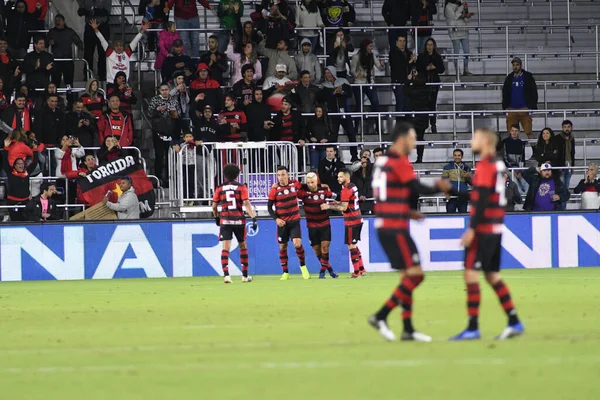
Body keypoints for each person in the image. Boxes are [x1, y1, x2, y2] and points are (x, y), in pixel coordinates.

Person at [368, 121, 451, 342]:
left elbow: (388, 192)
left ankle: (408, 329)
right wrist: (438, 186)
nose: (414, 144)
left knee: (407, 277)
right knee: (416, 275)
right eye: (413, 139)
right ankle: (381, 315)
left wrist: (406, 210)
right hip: (394, 227)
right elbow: (415, 187)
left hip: (386, 223)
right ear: (403, 139)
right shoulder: (399, 160)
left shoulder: (382, 161)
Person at [449, 128, 525, 340]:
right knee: (492, 276)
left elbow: (481, 199)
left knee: (471, 274)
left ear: (485, 141)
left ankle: (473, 327)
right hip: (494, 227)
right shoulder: (496, 165)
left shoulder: (485, 165)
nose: (472, 141)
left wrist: (472, 229)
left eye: (475, 137)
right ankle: (514, 322)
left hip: (483, 229)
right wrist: (454, 190)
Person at [212, 163, 257, 283]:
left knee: (225, 248)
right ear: (237, 174)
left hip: (225, 220)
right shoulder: (241, 187)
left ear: (225, 175)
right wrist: (253, 218)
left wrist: (217, 218)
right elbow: (246, 203)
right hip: (239, 221)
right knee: (243, 246)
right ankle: (245, 276)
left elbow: (214, 206)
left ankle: (226, 275)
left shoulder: (219, 188)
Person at [268, 165, 311, 280]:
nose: (281, 177)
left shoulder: (294, 184)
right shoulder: (274, 190)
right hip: (282, 223)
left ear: (288, 175)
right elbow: (269, 208)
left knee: (297, 244)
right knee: (283, 247)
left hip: (294, 221)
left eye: (283, 175)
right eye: (278, 175)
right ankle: (285, 272)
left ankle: (303, 268)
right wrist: (276, 219)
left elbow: (306, 187)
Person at [321, 168, 365, 277]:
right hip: (358, 218)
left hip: (351, 220)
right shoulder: (352, 186)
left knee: (351, 246)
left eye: (341, 176)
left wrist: (329, 206)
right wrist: (338, 202)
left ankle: (356, 272)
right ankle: (362, 269)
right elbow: (347, 202)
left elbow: (344, 208)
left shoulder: (346, 190)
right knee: (354, 244)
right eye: (338, 176)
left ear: (347, 177)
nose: (338, 178)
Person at [298, 172, 339, 278]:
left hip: (324, 224)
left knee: (325, 248)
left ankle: (322, 272)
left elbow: (336, 196)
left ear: (317, 181)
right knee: (317, 251)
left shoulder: (324, 191)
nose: (310, 184)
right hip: (311, 226)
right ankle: (330, 270)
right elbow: (293, 190)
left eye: (312, 182)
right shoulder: (303, 193)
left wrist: (329, 205)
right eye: (308, 182)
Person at [90, 19, 148, 84]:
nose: (119, 48)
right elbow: (102, 40)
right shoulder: (110, 53)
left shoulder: (126, 53)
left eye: (120, 46)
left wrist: (142, 30)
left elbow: (135, 41)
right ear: (114, 47)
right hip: (111, 83)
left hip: (124, 84)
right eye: (117, 46)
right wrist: (96, 30)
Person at [319, 66, 358, 161]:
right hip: (332, 114)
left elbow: (349, 94)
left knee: (351, 134)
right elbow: (321, 97)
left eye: (329, 73)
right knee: (333, 136)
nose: (327, 75)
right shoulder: (324, 85)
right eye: (326, 73)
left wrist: (342, 92)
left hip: (345, 112)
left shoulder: (343, 81)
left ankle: (354, 156)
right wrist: (333, 93)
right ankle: (333, 156)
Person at [502, 57, 538, 155]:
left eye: (517, 64)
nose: (515, 67)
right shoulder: (509, 78)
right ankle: (511, 153)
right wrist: (505, 107)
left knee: (529, 132)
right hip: (511, 109)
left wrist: (531, 106)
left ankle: (535, 152)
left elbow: (533, 92)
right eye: (513, 65)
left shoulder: (528, 77)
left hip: (524, 109)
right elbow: (504, 93)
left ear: (521, 65)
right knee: (511, 133)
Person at [351, 39, 384, 135]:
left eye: (371, 46)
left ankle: (378, 127)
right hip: (358, 83)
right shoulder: (356, 57)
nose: (371, 48)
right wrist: (357, 74)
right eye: (370, 46)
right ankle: (356, 128)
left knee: (375, 104)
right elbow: (352, 70)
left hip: (370, 83)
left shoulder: (372, 56)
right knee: (359, 106)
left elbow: (379, 67)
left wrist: (382, 65)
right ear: (365, 47)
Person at [149, 84, 181, 180]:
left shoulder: (174, 101)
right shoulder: (155, 100)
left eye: (166, 89)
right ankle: (157, 178)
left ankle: (168, 178)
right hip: (158, 131)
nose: (164, 91)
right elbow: (149, 113)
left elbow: (179, 114)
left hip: (171, 131)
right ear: (159, 91)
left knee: (170, 155)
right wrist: (157, 110)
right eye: (162, 90)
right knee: (159, 155)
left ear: (169, 90)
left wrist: (175, 114)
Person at [47, 14, 84, 92]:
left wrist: (80, 49)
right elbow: (45, 44)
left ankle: (70, 101)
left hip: (68, 60)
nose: (58, 22)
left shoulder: (69, 31)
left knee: (69, 83)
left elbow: (78, 42)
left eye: (59, 20)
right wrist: (49, 42)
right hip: (56, 61)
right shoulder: (51, 32)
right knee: (55, 82)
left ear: (63, 21)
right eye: (56, 20)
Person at [416, 38, 444, 133]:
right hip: (423, 84)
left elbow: (442, 69)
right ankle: (423, 125)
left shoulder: (437, 56)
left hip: (434, 83)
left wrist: (434, 67)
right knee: (423, 105)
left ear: (434, 46)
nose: (429, 46)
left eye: (431, 45)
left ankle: (433, 125)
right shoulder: (422, 56)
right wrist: (426, 68)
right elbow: (418, 68)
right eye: (428, 44)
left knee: (432, 105)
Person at [78, 0, 111, 81]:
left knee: (102, 52)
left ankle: (102, 76)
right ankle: (87, 75)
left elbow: (106, 11)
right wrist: (86, 11)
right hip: (89, 27)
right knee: (88, 53)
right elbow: (80, 11)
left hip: (102, 26)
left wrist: (94, 11)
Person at [2, 152, 38, 221]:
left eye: (22, 163)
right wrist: (6, 148)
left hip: (26, 202)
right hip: (13, 202)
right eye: (18, 163)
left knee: (26, 220)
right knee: (15, 221)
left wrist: (35, 150)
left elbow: (34, 163)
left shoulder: (27, 173)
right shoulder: (11, 173)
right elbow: (5, 162)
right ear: (15, 166)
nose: (21, 165)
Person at [405, 72, 431, 163]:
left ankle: (406, 159)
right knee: (420, 138)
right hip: (423, 117)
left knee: (409, 138)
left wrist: (408, 80)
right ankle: (419, 158)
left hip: (413, 117)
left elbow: (405, 91)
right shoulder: (427, 90)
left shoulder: (413, 90)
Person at [444, 0, 473, 76]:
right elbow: (455, 17)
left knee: (466, 51)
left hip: (464, 30)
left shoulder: (460, 6)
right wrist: (462, 7)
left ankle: (465, 69)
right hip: (455, 31)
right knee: (456, 53)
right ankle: (457, 71)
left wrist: (467, 14)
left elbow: (466, 19)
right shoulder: (448, 6)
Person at [389, 35, 416, 117]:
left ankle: (406, 127)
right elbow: (398, 66)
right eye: (400, 41)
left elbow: (412, 66)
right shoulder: (393, 53)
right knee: (400, 107)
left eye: (404, 41)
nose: (402, 43)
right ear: (396, 42)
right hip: (398, 82)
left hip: (408, 83)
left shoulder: (409, 53)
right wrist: (410, 61)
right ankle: (399, 128)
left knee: (408, 107)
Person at [172, 131, 201, 202]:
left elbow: (202, 142)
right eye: (187, 137)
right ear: (184, 138)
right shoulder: (182, 145)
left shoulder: (195, 144)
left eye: (190, 137)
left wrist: (200, 142)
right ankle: (184, 198)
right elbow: (174, 145)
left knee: (192, 181)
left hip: (192, 165)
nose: (188, 138)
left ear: (193, 137)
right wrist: (174, 147)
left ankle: (191, 198)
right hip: (184, 165)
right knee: (184, 182)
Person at [442, 149, 472, 213]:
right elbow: (443, 181)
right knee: (450, 218)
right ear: (453, 156)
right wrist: (446, 193)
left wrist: (468, 177)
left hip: (463, 197)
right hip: (451, 197)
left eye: (459, 155)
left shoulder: (467, 168)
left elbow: (472, 183)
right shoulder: (447, 167)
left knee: (463, 217)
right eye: (455, 155)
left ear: (462, 157)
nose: (457, 157)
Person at [306, 104, 333, 169]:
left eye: (320, 111)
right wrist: (310, 138)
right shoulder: (311, 120)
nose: (318, 113)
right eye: (316, 111)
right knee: (314, 168)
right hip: (314, 147)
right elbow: (306, 131)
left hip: (324, 147)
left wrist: (327, 139)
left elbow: (332, 133)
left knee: (324, 167)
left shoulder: (327, 121)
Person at [351, 149, 374, 214]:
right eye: (365, 155)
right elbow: (353, 185)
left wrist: (365, 196)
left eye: (369, 155)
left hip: (367, 200)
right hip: (357, 201)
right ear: (361, 156)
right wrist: (359, 195)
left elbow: (369, 185)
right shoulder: (356, 170)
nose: (367, 157)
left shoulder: (371, 168)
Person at [555, 120, 575, 194]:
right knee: (561, 186)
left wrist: (573, 166)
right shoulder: (557, 138)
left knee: (566, 186)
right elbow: (556, 153)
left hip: (569, 164)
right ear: (562, 128)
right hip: (560, 165)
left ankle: (564, 204)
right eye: (565, 127)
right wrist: (558, 165)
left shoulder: (572, 138)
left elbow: (573, 153)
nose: (567, 129)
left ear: (571, 128)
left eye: (568, 127)